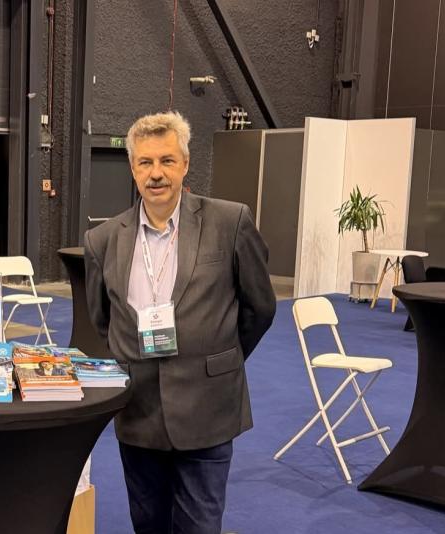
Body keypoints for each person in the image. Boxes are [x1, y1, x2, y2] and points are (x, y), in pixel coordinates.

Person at [84, 111, 276, 534]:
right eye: (145, 162)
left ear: (185, 164)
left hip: (208, 405)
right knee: (147, 523)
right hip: (139, 412)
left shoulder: (230, 222)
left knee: (200, 526)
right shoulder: (102, 240)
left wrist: (218, 356)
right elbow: (102, 319)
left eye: (167, 160)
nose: (156, 173)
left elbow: (260, 308)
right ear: (133, 168)